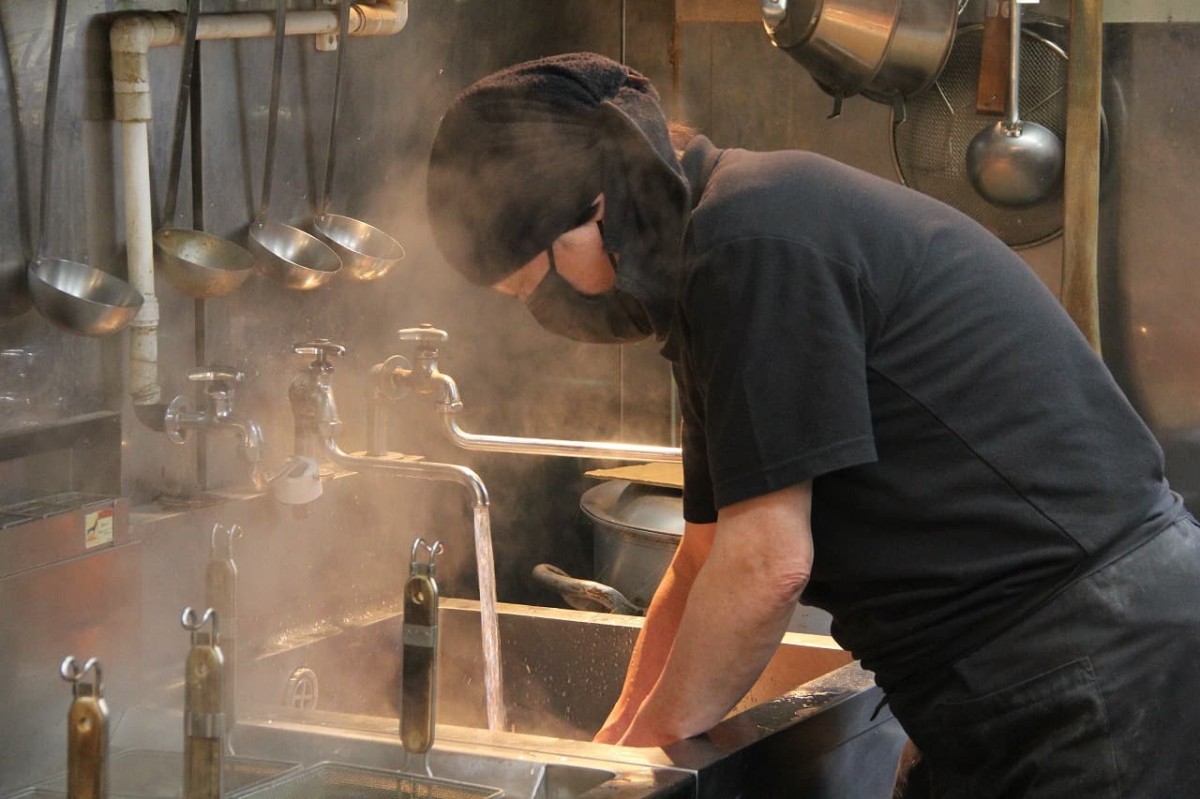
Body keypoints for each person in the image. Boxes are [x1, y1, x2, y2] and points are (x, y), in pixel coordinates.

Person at [424, 52, 1200, 797]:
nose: (546, 311)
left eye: (535, 285)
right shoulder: (715, 260)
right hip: (1012, 669)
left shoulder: (752, 243)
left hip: (1092, 661)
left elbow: (766, 567)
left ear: (592, 213)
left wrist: (632, 771)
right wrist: (614, 753)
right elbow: (703, 557)